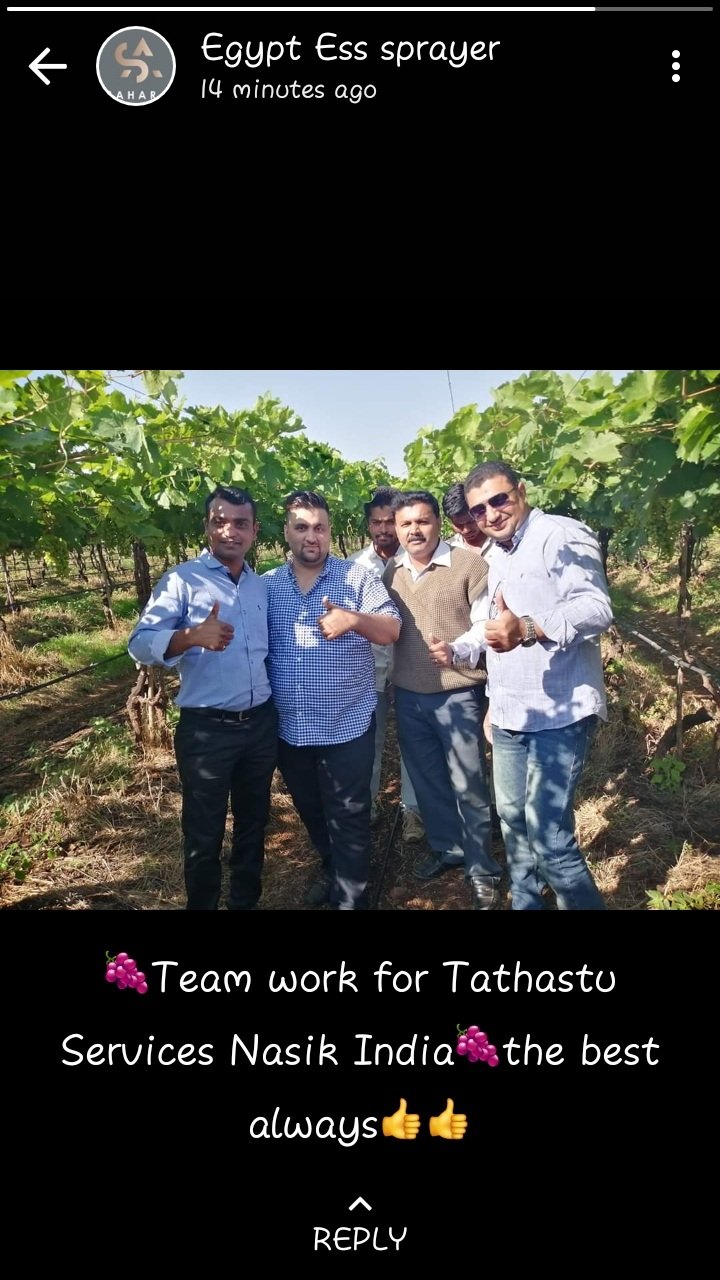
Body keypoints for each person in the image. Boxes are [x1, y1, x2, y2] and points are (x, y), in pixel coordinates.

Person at [429, 460, 612, 911]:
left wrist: (529, 627)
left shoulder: (559, 535)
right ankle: (526, 903)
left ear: (521, 492)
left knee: (550, 839)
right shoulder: (496, 554)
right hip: (512, 711)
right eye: (478, 509)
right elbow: (495, 628)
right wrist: (467, 659)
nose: (490, 514)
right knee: (511, 818)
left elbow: (596, 608)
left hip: (559, 711)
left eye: (499, 500)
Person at [127, 485, 278, 911]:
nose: (230, 531)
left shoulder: (261, 586)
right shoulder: (182, 580)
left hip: (259, 724)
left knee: (253, 822)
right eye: (220, 521)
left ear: (255, 531)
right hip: (207, 731)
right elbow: (139, 643)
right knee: (203, 831)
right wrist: (189, 636)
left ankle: (245, 901)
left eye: (241, 523)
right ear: (207, 526)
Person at [265, 491, 401, 910]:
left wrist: (353, 619)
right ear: (286, 532)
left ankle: (350, 897)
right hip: (291, 729)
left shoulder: (357, 578)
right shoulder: (266, 586)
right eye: (302, 527)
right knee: (312, 810)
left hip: (347, 724)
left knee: (349, 814)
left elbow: (391, 629)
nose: (312, 536)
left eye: (319, 528)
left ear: (329, 532)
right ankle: (335, 867)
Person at [382, 490, 502, 910]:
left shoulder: (469, 565)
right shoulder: (391, 572)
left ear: (438, 523)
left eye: (422, 521)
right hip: (409, 695)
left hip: (458, 692)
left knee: (468, 782)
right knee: (428, 779)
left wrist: (456, 649)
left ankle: (482, 867)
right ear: (397, 529)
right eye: (406, 523)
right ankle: (448, 848)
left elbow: (484, 624)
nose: (414, 530)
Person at [349, 487, 424, 843]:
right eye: (376, 522)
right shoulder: (353, 567)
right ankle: (367, 807)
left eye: (389, 522)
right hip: (369, 673)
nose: (383, 529)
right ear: (368, 525)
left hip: (411, 669)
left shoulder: (417, 562)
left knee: (413, 745)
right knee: (369, 743)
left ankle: (413, 811)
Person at [442, 482, 491, 556]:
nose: (466, 530)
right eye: (459, 525)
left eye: (470, 522)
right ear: (450, 522)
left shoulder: (502, 540)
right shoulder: (447, 551)